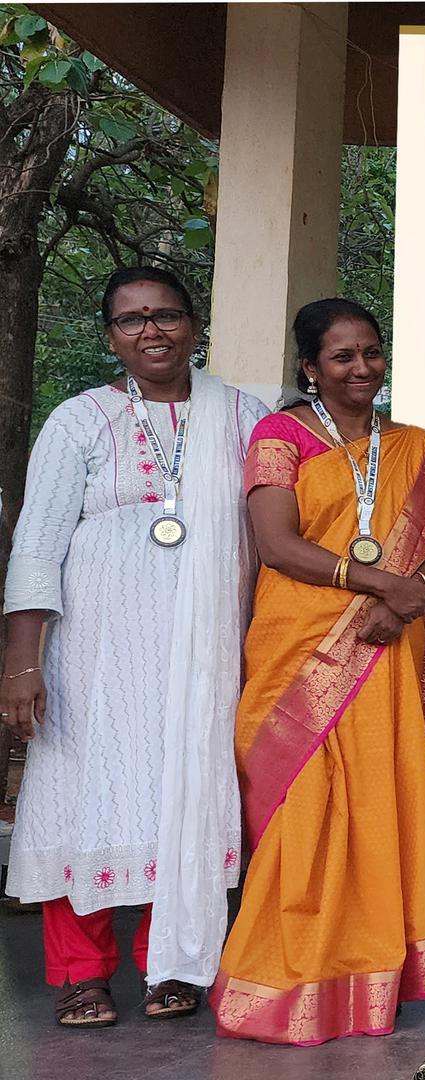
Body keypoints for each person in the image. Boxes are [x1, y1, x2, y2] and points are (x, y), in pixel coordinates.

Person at [1, 268, 267, 1027]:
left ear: (194, 325)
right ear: (110, 335)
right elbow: (36, 544)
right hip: (94, 652)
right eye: (132, 319)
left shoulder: (242, 416)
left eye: (167, 315)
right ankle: (81, 973)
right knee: (81, 795)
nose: (152, 330)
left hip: (205, 649)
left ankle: (171, 964)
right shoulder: (79, 420)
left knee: (186, 792)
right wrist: (22, 664)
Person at [211, 299, 425, 1044]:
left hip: (385, 646)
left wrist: (408, 599)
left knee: (377, 799)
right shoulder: (280, 435)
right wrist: (380, 586)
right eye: (341, 357)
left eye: (371, 352)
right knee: (303, 807)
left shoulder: (421, 449)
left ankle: (370, 977)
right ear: (310, 367)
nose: (361, 368)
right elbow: (277, 544)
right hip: (299, 643)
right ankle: (287, 974)